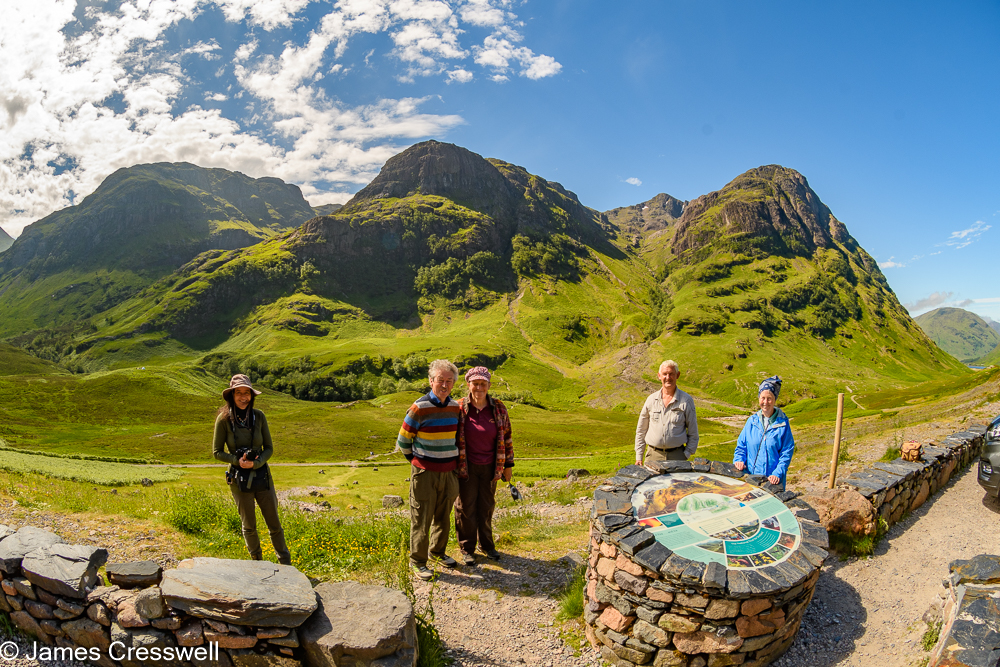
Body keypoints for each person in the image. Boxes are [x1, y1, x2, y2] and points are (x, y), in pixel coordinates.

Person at [213, 374, 291, 565]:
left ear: (251, 395)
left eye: (246, 393)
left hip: (262, 477)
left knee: (274, 524)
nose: (242, 397)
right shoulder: (223, 420)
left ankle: (286, 564)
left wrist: (256, 463)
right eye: (238, 393)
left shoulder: (260, 416)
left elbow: (269, 448)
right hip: (238, 479)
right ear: (231, 395)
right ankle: (257, 564)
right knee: (249, 526)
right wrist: (236, 461)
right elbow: (216, 452)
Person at [397, 359, 464, 581]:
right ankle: (417, 561)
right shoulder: (419, 407)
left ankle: (438, 552)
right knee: (421, 517)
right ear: (431, 381)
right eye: (440, 381)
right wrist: (418, 463)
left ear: (453, 383)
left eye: (449, 381)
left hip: (449, 472)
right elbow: (403, 440)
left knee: (443, 516)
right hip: (425, 473)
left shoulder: (456, 407)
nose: (444, 385)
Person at [454, 366, 514, 565]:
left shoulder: (498, 407)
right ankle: (467, 549)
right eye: (475, 383)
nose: (479, 387)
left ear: (488, 385)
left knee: (486, 506)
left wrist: (508, 465)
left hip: (491, 467)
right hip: (465, 467)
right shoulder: (459, 407)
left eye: (483, 383)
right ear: (468, 384)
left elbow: (507, 437)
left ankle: (487, 546)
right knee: (465, 508)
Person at [733, 376, 795, 491]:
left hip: (772, 481)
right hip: (750, 479)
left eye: (769, 398)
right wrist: (739, 460)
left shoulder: (783, 424)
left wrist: (777, 473)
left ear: (775, 400)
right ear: (759, 398)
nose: (765, 402)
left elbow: (786, 452)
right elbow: (741, 446)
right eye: (763, 398)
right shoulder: (751, 421)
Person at [635, 360, 699, 465]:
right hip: (653, 456)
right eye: (665, 374)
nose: (668, 377)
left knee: (677, 482)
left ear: (677, 375)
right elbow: (641, 430)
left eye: (671, 374)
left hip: (677, 456)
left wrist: (686, 454)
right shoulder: (651, 400)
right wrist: (639, 456)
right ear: (659, 376)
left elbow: (693, 432)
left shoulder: (686, 400)